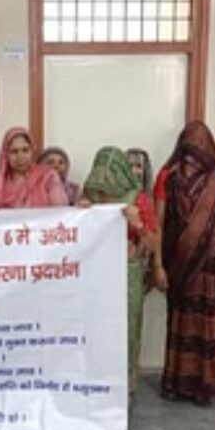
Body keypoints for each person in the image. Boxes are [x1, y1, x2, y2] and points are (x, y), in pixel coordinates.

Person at [151, 122, 215, 405]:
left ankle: (205, 385)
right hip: (178, 264)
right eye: (189, 143)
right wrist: (157, 265)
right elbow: (157, 222)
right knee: (179, 325)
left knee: (207, 327)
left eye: (200, 144)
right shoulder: (168, 175)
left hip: (211, 267)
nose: (194, 150)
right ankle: (177, 383)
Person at [80, 146, 159, 402]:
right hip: (95, 274)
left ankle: (125, 386)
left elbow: (153, 244)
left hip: (127, 274)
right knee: (95, 328)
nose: (104, 190)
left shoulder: (138, 199)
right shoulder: (89, 196)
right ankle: (94, 384)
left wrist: (137, 224)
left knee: (126, 328)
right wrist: (78, 215)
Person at [0, 127, 68, 209]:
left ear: (32, 151)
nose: (20, 157)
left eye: (25, 150)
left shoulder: (48, 177)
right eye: (14, 151)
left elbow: (60, 212)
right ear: (6, 155)